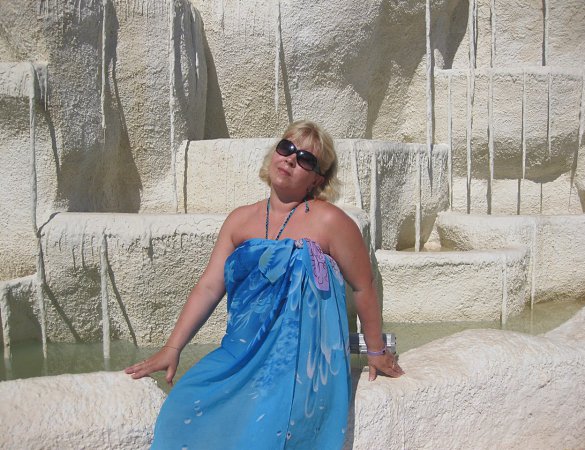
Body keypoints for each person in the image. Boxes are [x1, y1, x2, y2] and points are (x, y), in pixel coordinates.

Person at [125, 120, 404, 449]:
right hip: (241, 353)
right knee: (182, 406)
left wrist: (375, 351)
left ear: (318, 179)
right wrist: (173, 348)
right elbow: (210, 287)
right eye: (287, 148)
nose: (291, 159)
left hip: (300, 364)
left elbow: (362, 287)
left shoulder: (331, 221)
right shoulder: (239, 220)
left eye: (306, 159)